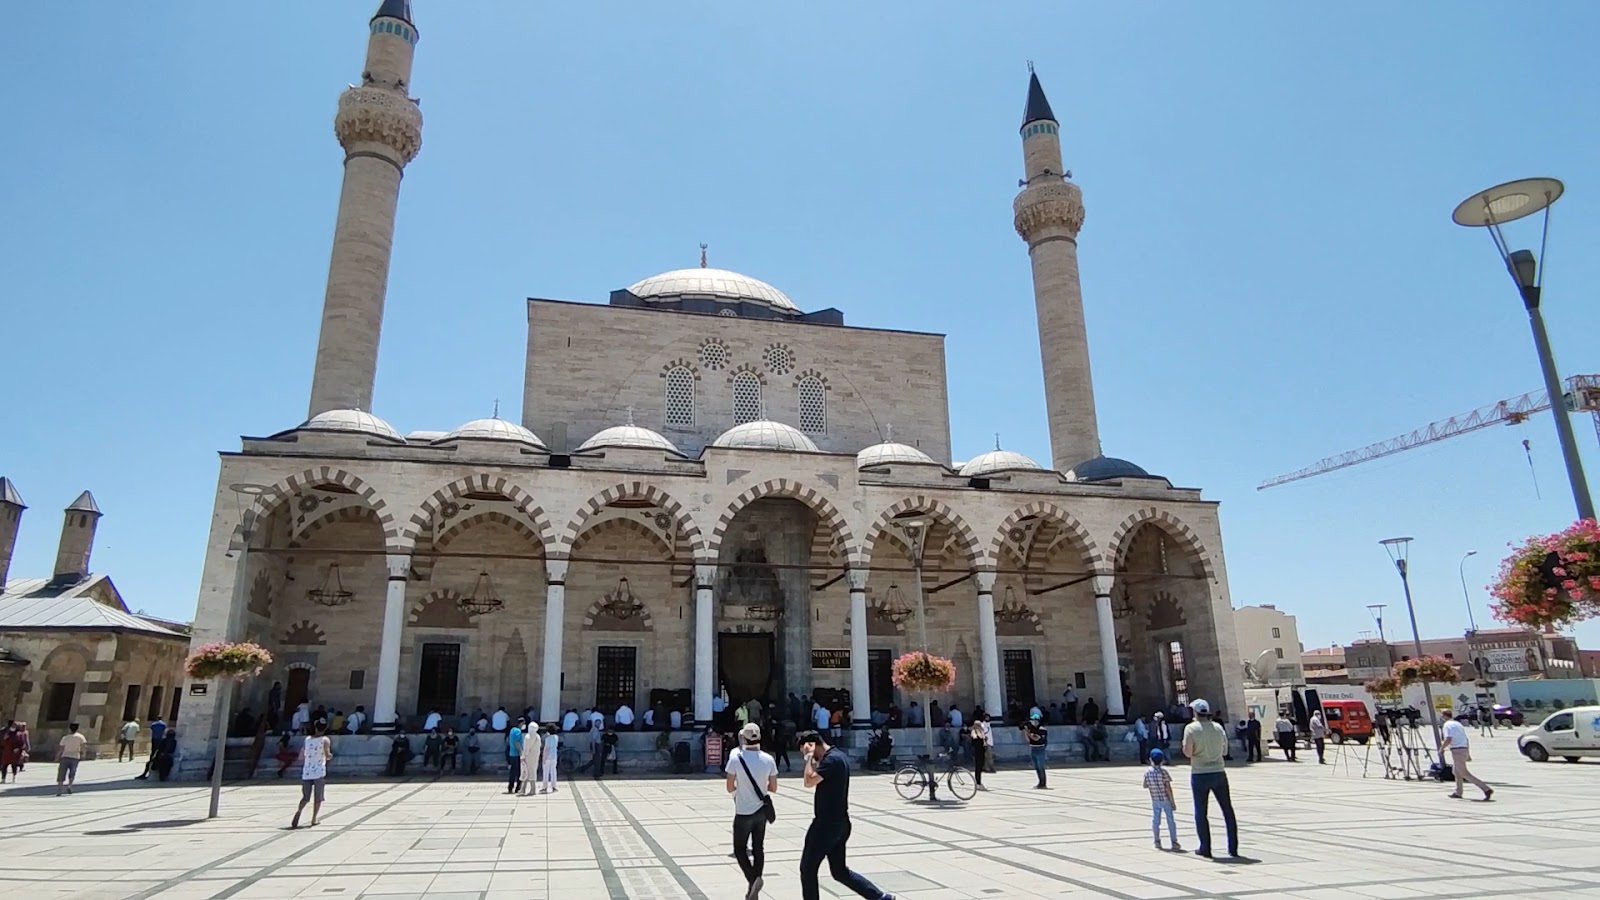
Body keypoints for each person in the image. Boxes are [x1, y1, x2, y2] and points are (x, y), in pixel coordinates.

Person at [797, 730, 895, 900]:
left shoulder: (831, 760)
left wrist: (808, 759)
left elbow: (809, 781)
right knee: (839, 871)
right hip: (840, 824)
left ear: (812, 745)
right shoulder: (838, 756)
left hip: (825, 826)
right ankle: (879, 897)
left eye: (805, 750)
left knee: (808, 869)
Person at [1181, 699, 1239, 859]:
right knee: (1227, 810)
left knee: (1201, 812)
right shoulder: (1218, 728)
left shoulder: (1191, 729)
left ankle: (1205, 847)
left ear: (1194, 712)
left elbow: (1188, 752)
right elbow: (1225, 749)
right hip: (1219, 772)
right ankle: (1233, 847)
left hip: (1200, 773)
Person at [727, 722, 778, 900]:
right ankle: (753, 887)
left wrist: (738, 794)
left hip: (743, 810)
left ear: (744, 738)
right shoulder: (768, 759)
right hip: (761, 811)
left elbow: (729, 785)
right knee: (758, 848)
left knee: (740, 849)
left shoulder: (736, 758)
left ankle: (753, 878)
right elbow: (773, 787)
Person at [1440, 709, 1493, 801]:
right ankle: (1458, 792)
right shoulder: (1458, 724)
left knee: (1464, 773)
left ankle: (1486, 789)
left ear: (1444, 716)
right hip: (1463, 748)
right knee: (1456, 772)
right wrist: (1468, 753)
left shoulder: (1447, 725)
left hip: (1457, 750)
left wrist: (1441, 749)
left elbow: (1448, 738)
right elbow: (1465, 738)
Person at [293, 720, 333, 828]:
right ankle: (314, 818)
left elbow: (301, 755)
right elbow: (327, 754)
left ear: (315, 727)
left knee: (305, 797)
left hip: (307, 771)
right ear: (325, 728)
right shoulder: (325, 740)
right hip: (319, 771)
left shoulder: (307, 739)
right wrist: (330, 756)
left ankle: (299, 811)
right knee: (318, 797)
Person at [1142, 749, 1181, 851]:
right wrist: (1172, 801)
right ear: (1162, 760)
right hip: (1165, 799)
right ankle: (1174, 841)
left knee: (1156, 820)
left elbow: (1145, 785)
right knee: (1170, 820)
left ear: (1150, 759)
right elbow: (1168, 787)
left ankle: (1157, 841)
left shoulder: (1147, 772)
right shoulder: (1164, 772)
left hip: (1155, 799)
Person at [56, 722, 88, 795]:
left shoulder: (65, 738)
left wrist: (57, 757)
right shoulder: (81, 737)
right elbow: (83, 746)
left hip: (65, 756)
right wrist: (83, 754)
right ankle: (69, 785)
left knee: (62, 772)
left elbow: (61, 749)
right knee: (72, 772)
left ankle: (59, 789)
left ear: (69, 728)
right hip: (75, 757)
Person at [1021, 712, 1049, 789]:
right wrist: (1025, 732)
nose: (1034, 722)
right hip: (1033, 748)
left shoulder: (1041, 729)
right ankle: (1040, 782)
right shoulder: (1032, 729)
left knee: (1041, 766)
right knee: (1036, 766)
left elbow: (1036, 738)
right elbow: (1028, 740)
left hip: (1040, 748)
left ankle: (1043, 783)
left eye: (1036, 720)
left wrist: (1029, 733)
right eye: (1033, 720)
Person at [970, 714, 993, 790]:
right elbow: (977, 744)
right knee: (978, 768)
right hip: (978, 753)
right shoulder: (975, 735)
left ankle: (979, 782)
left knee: (980, 767)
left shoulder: (981, 734)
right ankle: (978, 783)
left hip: (981, 753)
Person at [539, 723, 561, 794]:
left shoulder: (547, 739)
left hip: (547, 757)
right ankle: (554, 786)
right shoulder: (556, 737)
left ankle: (545, 787)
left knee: (546, 772)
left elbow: (546, 749)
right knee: (553, 772)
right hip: (554, 756)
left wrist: (543, 758)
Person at [507, 718, 526, 794]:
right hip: (517, 754)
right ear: (521, 723)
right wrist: (521, 752)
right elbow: (517, 742)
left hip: (511, 753)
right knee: (519, 772)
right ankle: (518, 788)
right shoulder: (518, 731)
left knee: (512, 772)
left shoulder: (512, 730)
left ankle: (510, 787)